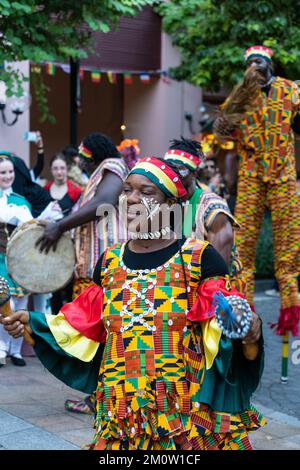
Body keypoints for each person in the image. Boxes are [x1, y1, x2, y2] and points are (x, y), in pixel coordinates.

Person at [1, 156, 264, 450]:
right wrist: (33, 323)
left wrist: (249, 331)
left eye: (146, 192)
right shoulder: (110, 261)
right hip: (121, 415)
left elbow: (231, 327)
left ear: (170, 206)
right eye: (127, 190)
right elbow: (82, 322)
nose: (131, 199)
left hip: (182, 420)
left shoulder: (199, 258)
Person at [214, 45, 300, 340]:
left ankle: (290, 311)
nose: (256, 67)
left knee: (289, 246)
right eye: (251, 64)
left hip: (283, 175)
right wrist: (239, 96)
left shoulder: (289, 90)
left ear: (270, 65)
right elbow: (220, 128)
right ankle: (245, 319)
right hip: (251, 177)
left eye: (260, 63)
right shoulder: (240, 98)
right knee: (244, 247)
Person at [164, 138, 242, 283]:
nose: (175, 175)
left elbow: (219, 272)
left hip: (208, 291)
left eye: (181, 169)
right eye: (170, 169)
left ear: (194, 174)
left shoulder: (213, 207)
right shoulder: (167, 202)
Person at [0, 154, 33, 367]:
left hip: (20, 260)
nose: (7, 176)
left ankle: (16, 350)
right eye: (3, 172)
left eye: (10, 171)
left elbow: (31, 230)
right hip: (0, 258)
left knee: (20, 303)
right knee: (4, 303)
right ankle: (2, 348)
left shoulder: (21, 202)